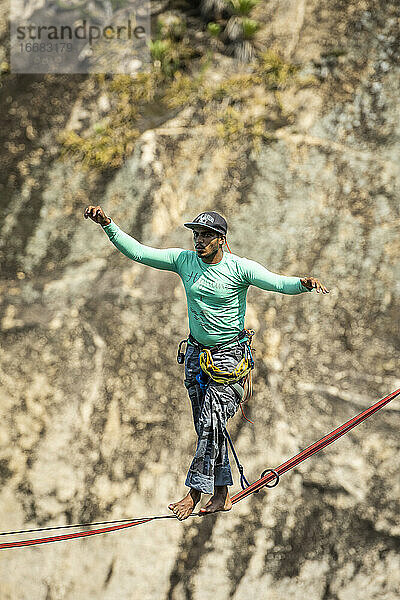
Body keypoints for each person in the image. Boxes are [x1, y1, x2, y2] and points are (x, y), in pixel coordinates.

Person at [84, 206, 329, 520]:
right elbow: (140, 253)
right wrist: (108, 225)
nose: (199, 241)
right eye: (196, 235)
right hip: (197, 358)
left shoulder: (239, 268)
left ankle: (194, 493)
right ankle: (222, 493)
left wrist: (303, 283)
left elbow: (277, 283)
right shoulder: (184, 261)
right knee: (208, 428)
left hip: (230, 357)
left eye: (206, 235)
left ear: (221, 239)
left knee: (211, 421)